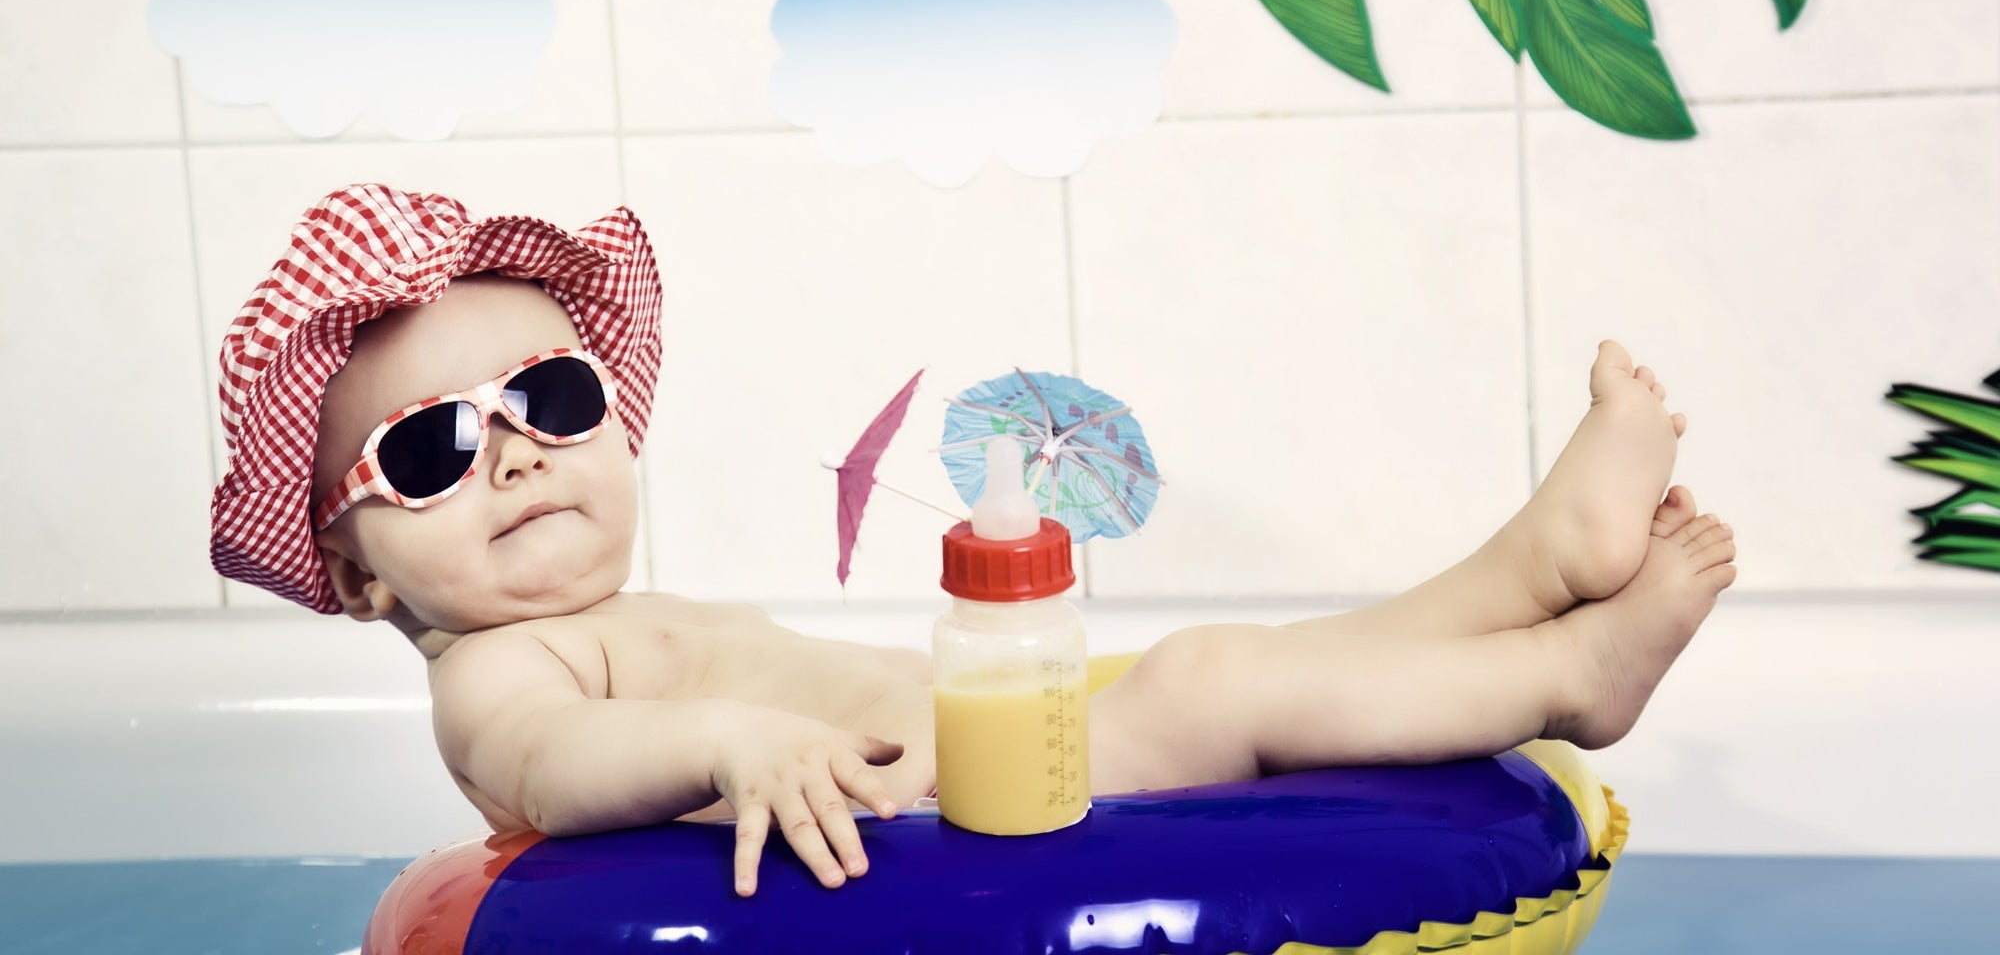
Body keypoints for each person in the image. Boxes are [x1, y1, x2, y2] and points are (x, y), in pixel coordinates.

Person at [211, 184, 1736, 898]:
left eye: (549, 394)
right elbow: (545, 765)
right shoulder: (497, 672)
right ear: (355, 572)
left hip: (993, 744)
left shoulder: (625, 612)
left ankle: (1532, 566)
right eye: (429, 449)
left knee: (1253, 664)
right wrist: (726, 745)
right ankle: (1571, 672)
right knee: (1214, 681)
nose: (519, 447)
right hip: (956, 811)